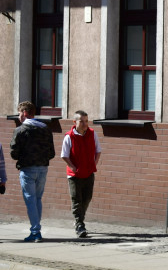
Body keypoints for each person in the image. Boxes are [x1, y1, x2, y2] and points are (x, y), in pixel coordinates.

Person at [10, 102, 55, 242]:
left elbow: (13, 153)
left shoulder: (20, 130)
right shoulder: (46, 129)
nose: (18, 117)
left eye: (19, 114)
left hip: (27, 169)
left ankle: (35, 232)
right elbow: (52, 153)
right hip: (43, 168)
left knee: (30, 201)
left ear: (24, 113)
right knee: (37, 199)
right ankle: (36, 229)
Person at [61, 110, 101, 238]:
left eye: (86, 121)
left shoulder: (92, 134)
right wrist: (73, 167)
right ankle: (79, 225)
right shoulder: (69, 136)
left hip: (89, 172)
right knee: (76, 199)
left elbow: (98, 151)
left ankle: (79, 220)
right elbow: (64, 155)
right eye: (82, 121)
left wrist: (94, 164)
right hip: (74, 175)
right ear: (75, 122)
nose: (85, 124)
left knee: (87, 198)